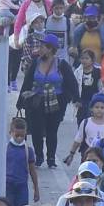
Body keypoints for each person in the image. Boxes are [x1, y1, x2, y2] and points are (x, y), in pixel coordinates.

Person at [20, 33, 78, 170]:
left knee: (52, 130)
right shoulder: (36, 62)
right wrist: (21, 101)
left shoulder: (61, 64)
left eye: (43, 46)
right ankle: (39, 156)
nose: (40, 48)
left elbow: (71, 82)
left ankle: (51, 158)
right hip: (37, 101)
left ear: (51, 49)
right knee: (36, 130)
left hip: (55, 103)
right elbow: (27, 82)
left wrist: (74, 98)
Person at [4, 117, 40, 206]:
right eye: (17, 135)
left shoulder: (28, 150)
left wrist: (36, 189)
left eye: (22, 136)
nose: (19, 138)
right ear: (10, 133)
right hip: (8, 186)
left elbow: (32, 170)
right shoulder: (5, 149)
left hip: (22, 186)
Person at [64, 94, 104, 166]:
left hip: (103, 157)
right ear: (91, 108)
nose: (99, 109)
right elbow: (78, 139)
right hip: (87, 155)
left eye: (102, 107)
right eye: (96, 107)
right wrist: (71, 154)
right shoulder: (86, 122)